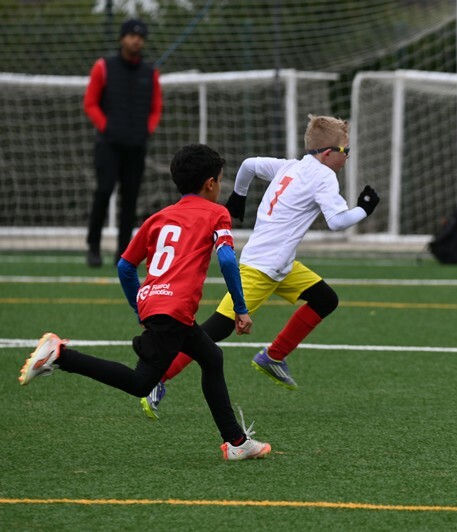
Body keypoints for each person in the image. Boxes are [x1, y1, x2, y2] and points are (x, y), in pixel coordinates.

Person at [19, 144, 271, 461]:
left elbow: (125, 266)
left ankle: (236, 442)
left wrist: (140, 307)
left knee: (211, 357)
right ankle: (61, 355)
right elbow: (228, 261)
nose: (220, 187)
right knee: (141, 383)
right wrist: (241, 308)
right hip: (174, 309)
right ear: (210, 183)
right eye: (220, 181)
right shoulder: (217, 213)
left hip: (161, 305)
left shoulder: (158, 218)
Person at [139, 114, 380, 419]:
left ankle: (273, 356)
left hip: (279, 264)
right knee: (214, 330)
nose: (348, 157)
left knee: (325, 299)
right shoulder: (323, 176)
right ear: (328, 153)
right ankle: (157, 378)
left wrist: (238, 196)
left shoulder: (290, 166)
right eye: (346, 151)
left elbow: (249, 164)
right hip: (263, 268)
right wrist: (364, 208)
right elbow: (337, 221)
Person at [84, 18, 163, 267]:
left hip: (136, 147)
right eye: (131, 36)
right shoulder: (103, 67)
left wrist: (147, 129)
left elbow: (156, 108)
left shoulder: (150, 73)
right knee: (103, 191)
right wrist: (107, 127)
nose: (136, 40)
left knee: (130, 199)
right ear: (122, 38)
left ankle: (123, 252)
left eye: (140, 37)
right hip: (108, 145)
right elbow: (90, 103)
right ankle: (93, 247)